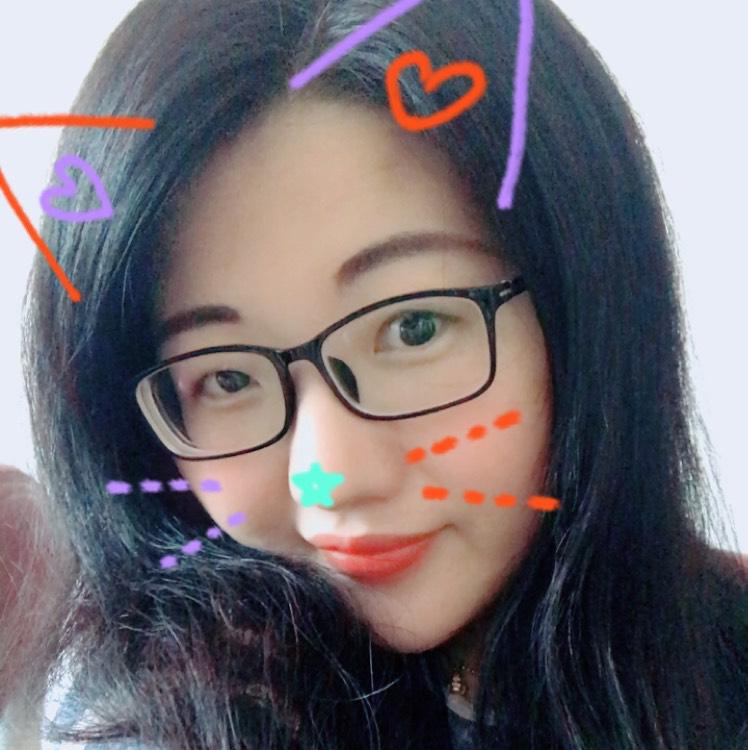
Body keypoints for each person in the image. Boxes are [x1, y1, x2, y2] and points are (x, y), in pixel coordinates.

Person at [17, 0, 748, 747]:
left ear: (585, 306)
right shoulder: (149, 715)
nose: (333, 478)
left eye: (412, 328)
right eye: (227, 378)